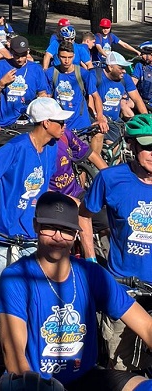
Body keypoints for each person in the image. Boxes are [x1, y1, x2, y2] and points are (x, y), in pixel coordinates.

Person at [0, 190, 152, 391]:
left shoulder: (92, 274)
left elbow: (146, 327)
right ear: (36, 226)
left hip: (86, 377)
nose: (58, 237)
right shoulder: (17, 278)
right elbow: (14, 355)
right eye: (49, 227)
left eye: (66, 230)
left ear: (76, 234)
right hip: (37, 381)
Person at [0, 97, 70, 301]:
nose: (64, 126)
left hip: (30, 237)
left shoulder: (51, 147)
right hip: (1, 238)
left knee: (28, 298)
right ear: (46, 122)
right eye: (60, 122)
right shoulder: (17, 147)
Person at [80, 114, 152, 373]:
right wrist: (90, 260)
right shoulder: (110, 179)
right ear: (131, 146)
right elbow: (84, 215)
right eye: (147, 146)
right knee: (121, 369)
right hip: (125, 291)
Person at [0, 36, 48, 134]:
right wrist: (2, 83)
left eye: (23, 55)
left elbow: (42, 93)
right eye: (16, 55)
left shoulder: (36, 69)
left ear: (28, 51)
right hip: (6, 122)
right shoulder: (2, 65)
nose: (20, 59)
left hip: (29, 123)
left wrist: (42, 98)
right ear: (11, 51)